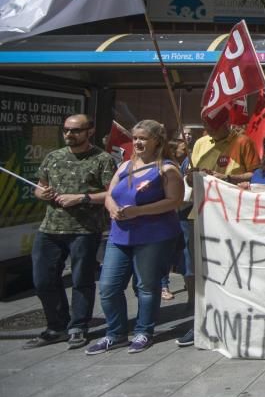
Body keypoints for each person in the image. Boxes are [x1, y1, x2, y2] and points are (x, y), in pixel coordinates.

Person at [86, 120, 183, 354]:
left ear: (156, 141)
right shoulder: (125, 166)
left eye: (143, 138)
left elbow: (174, 201)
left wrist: (138, 211)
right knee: (108, 286)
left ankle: (143, 331)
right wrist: (111, 208)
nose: (137, 142)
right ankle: (116, 333)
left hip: (153, 236)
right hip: (119, 235)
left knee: (146, 286)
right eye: (135, 138)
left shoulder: (167, 169)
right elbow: (110, 194)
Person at [24, 114, 117, 350]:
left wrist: (82, 198)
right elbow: (40, 186)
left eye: (75, 130)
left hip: (84, 230)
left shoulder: (102, 159)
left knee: (81, 280)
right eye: (66, 130)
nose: (69, 134)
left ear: (89, 132)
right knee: (43, 280)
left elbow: (113, 193)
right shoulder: (53, 157)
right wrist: (41, 193)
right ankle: (56, 326)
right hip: (50, 228)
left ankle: (78, 326)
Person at [176, 108, 259, 347]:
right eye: (206, 126)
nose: (209, 131)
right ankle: (199, 322)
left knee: (234, 268)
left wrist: (223, 178)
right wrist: (193, 177)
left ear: (227, 124)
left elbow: (254, 174)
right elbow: (192, 176)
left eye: (214, 126)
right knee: (199, 270)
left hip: (233, 216)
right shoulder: (201, 143)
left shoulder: (243, 143)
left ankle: (239, 318)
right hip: (201, 213)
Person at [160, 138, 190, 301]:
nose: (186, 151)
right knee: (165, 254)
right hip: (166, 217)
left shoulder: (182, 164)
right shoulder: (164, 167)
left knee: (182, 253)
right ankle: (163, 285)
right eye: (182, 148)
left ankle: (187, 281)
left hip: (180, 215)